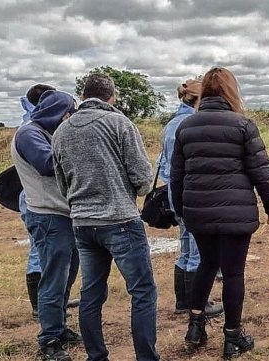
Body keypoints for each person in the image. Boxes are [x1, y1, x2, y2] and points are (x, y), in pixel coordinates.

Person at [170, 67, 269, 359]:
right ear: (232, 91)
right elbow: (261, 172)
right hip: (236, 214)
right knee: (233, 273)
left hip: (198, 212)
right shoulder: (243, 125)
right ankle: (232, 337)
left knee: (206, 265)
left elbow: (177, 175)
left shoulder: (186, 127)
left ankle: (195, 326)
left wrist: (182, 210)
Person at [52, 74, 159, 361]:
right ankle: (146, 357)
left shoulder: (61, 131)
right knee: (143, 292)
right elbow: (142, 177)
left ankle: (96, 356)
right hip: (120, 220)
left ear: (84, 95)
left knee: (91, 293)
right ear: (111, 96)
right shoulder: (119, 124)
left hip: (83, 223)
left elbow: (62, 184)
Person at [12, 90, 81, 361]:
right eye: (68, 112)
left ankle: (59, 327)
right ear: (57, 112)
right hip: (48, 214)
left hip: (63, 213)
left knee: (67, 275)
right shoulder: (30, 134)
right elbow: (46, 164)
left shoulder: (44, 131)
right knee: (53, 278)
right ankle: (49, 338)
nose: (70, 117)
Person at [158, 79, 223, 317]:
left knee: (186, 248)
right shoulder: (189, 124)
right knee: (198, 251)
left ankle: (183, 301)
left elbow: (164, 164)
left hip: (175, 193)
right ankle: (199, 303)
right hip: (190, 195)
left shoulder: (171, 124)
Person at [19, 84, 55, 318]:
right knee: (39, 251)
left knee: (44, 251)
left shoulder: (33, 125)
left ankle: (46, 301)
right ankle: (39, 305)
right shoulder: (31, 130)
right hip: (37, 199)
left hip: (36, 196)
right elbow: (47, 164)